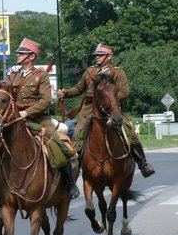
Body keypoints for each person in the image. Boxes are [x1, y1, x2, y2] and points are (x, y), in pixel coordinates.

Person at [58, 44, 155, 177]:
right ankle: (77, 170)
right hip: (88, 112)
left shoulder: (117, 72)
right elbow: (79, 88)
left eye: (100, 55)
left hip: (111, 111)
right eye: (96, 55)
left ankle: (143, 164)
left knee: (129, 131)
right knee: (77, 136)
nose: (97, 57)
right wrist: (66, 93)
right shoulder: (89, 71)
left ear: (109, 57)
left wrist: (108, 99)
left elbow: (124, 92)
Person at [10, 38, 80, 199]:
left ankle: (69, 183)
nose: (18, 55)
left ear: (31, 56)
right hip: (16, 119)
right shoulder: (14, 75)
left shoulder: (41, 76)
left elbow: (45, 100)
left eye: (22, 53)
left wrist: (26, 113)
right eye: (19, 53)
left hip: (39, 119)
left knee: (57, 144)